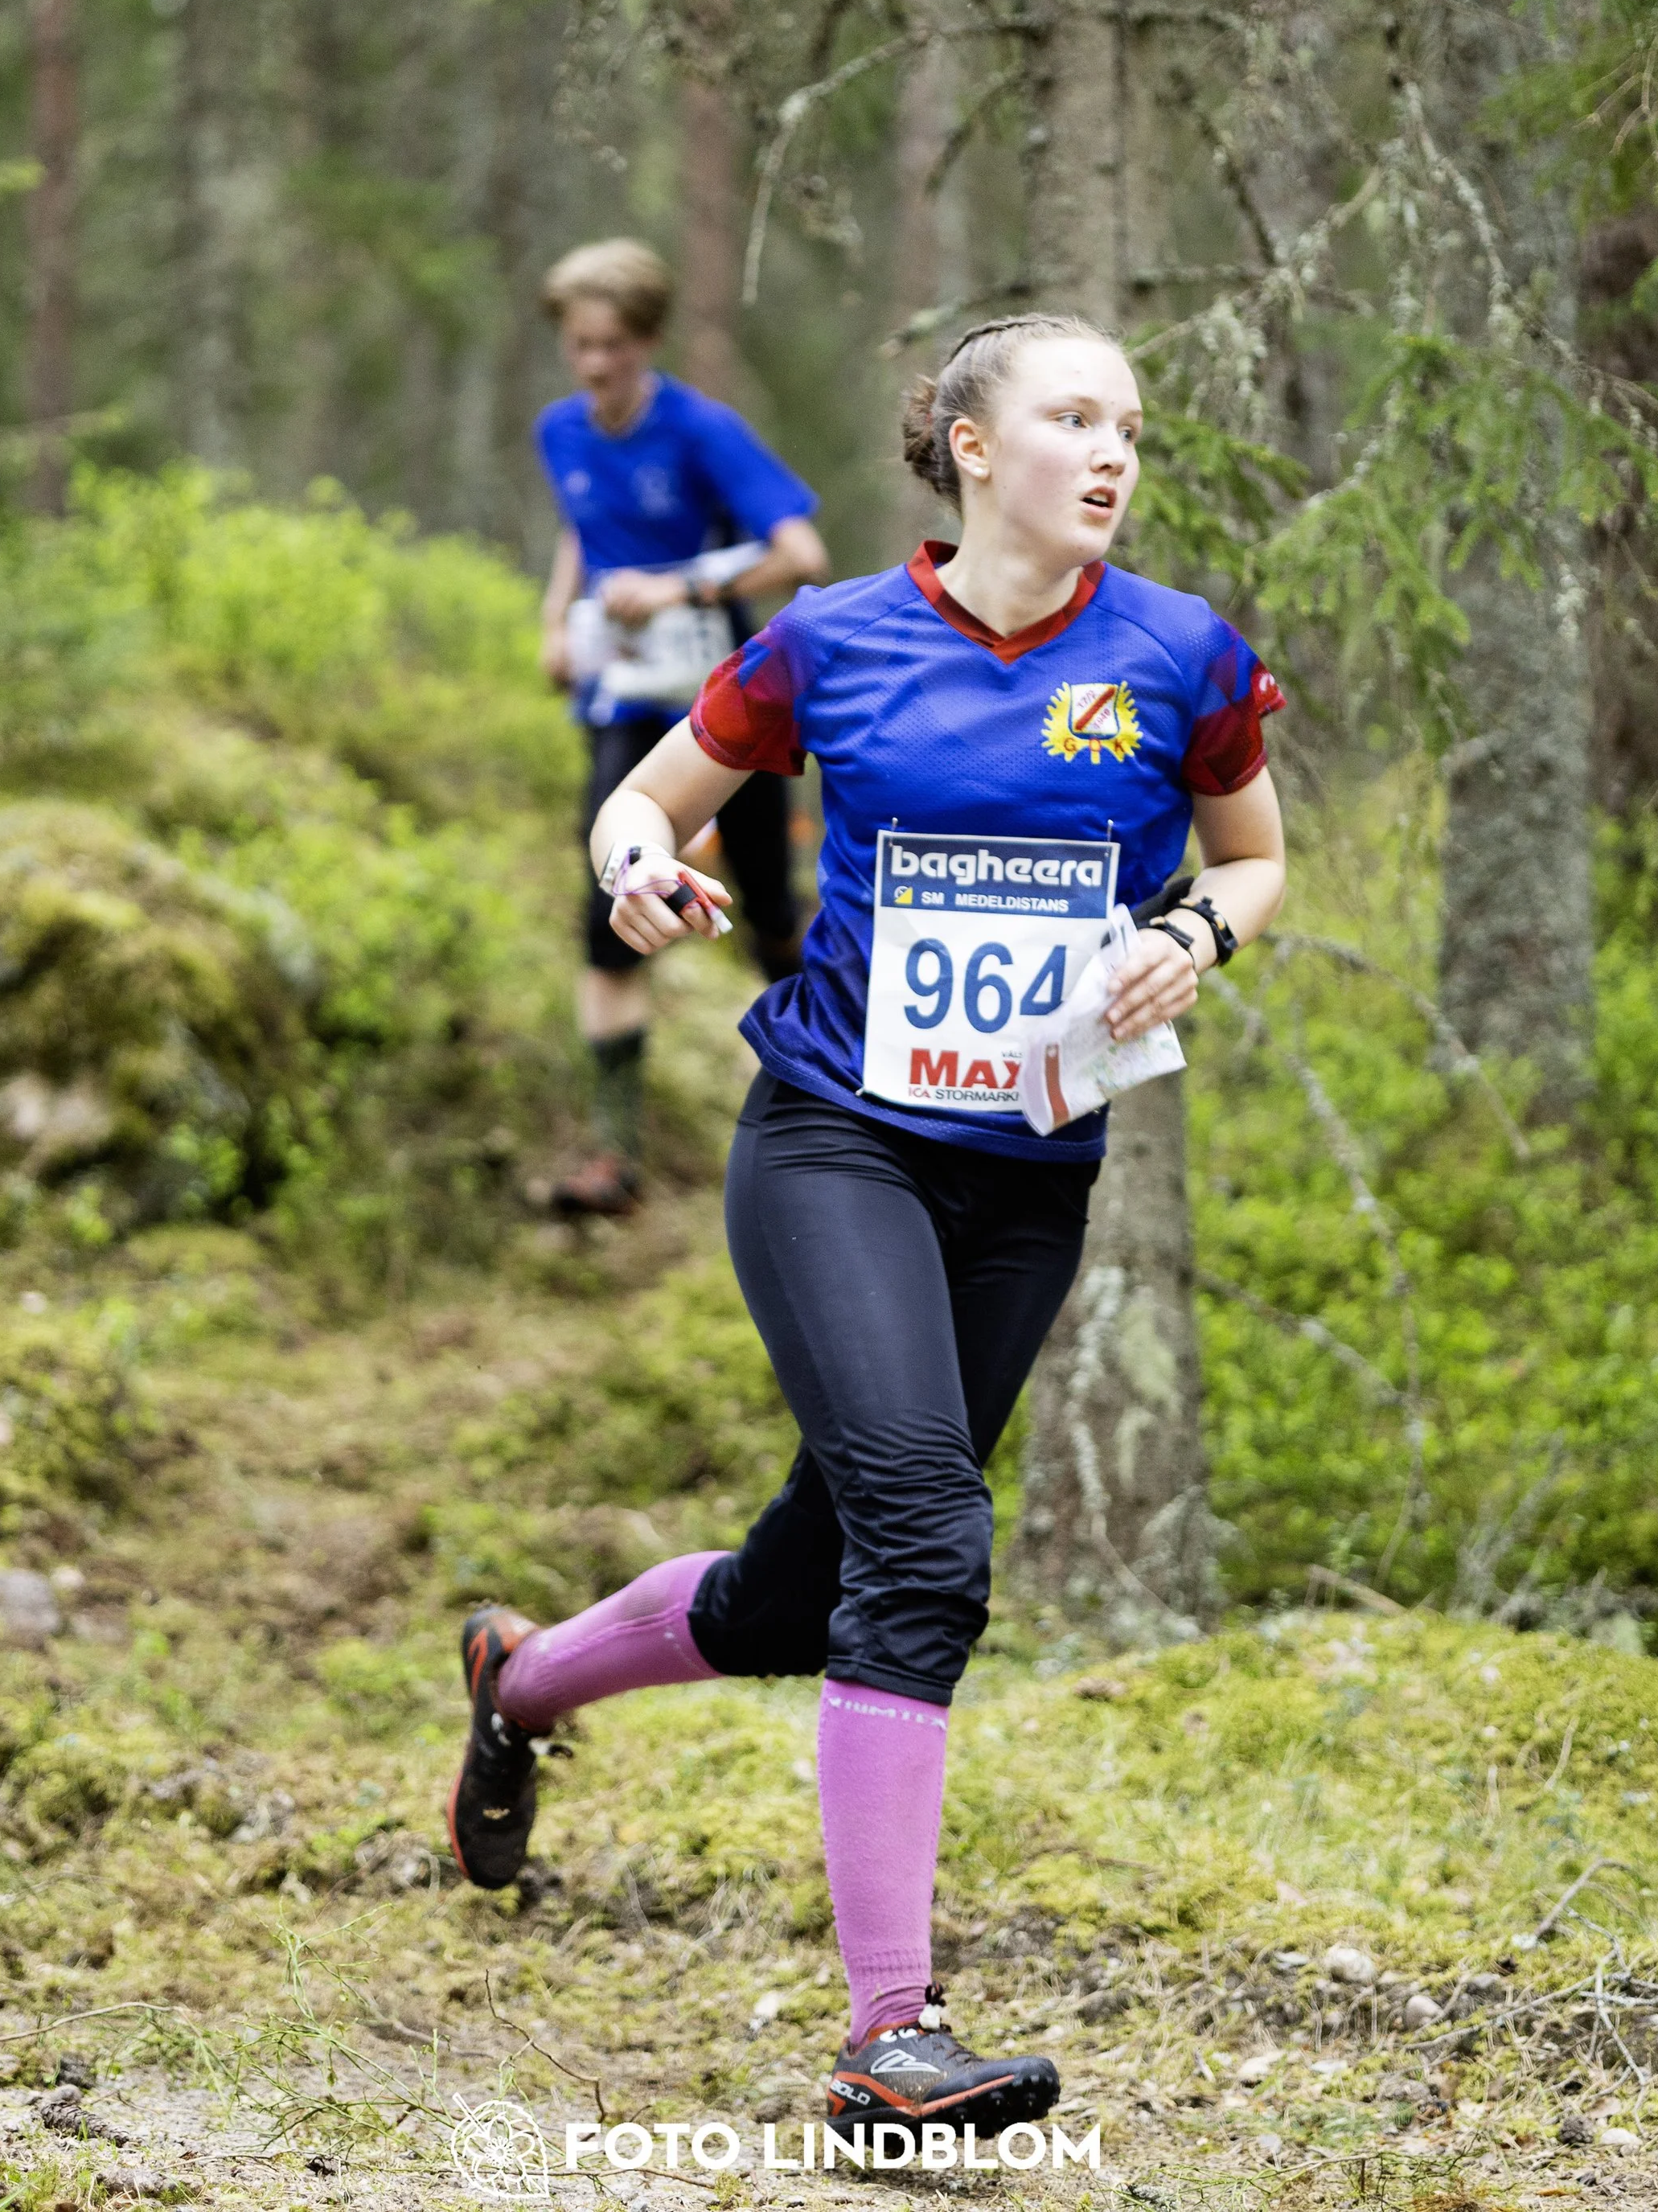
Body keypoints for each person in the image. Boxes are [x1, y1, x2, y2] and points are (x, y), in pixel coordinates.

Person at [454, 314, 1287, 2139]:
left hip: (1033, 1169)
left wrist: (1198, 935)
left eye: (1127, 423)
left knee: (796, 1594)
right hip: (835, 1139)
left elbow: (1250, 852)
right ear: (971, 443)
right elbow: (646, 795)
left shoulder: (1178, 651)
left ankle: (518, 1682)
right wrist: (638, 870)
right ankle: (886, 2038)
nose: (1111, 448)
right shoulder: (833, 639)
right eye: (1072, 415)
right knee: (924, 1542)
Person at [535, 239, 830, 1216]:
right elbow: (584, 526)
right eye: (578, 344)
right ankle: (613, 1154)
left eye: (611, 345)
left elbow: (800, 551)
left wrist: (680, 584)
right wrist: (555, 619)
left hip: (726, 711)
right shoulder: (561, 432)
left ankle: (839, 1113)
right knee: (607, 904)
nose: (592, 365)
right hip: (623, 702)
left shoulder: (703, 432)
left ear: (647, 339)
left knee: (771, 917)